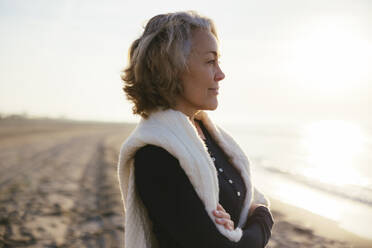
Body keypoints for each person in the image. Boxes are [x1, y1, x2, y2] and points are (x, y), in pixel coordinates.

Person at [117, 11, 274, 248]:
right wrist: (263, 216)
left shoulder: (208, 133)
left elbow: (246, 203)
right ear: (172, 68)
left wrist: (243, 220)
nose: (220, 74)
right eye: (210, 61)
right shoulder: (155, 155)